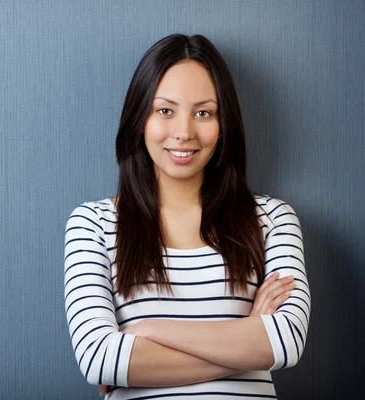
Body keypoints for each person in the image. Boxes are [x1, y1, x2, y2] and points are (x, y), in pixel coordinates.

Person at [63, 34, 310, 399]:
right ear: (139, 119)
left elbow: (286, 343)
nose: (184, 132)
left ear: (223, 123)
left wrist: (144, 332)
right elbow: (99, 359)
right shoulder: (93, 224)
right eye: (165, 110)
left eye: (203, 112)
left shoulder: (272, 218)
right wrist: (251, 334)